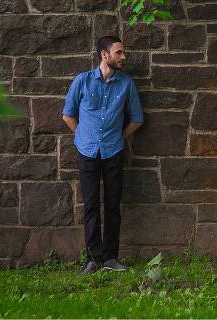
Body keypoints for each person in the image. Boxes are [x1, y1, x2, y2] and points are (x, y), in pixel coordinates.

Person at [62, 35, 144, 275]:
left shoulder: (127, 84)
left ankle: (110, 258)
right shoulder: (82, 81)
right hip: (87, 152)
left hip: (113, 151)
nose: (124, 57)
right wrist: (81, 137)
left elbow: (137, 119)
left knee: (112, 205)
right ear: (104, 55)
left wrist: (120, 137)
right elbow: (68, 115)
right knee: (91, 206)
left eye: (123, 52)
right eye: (119, 52)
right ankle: (93, 259)